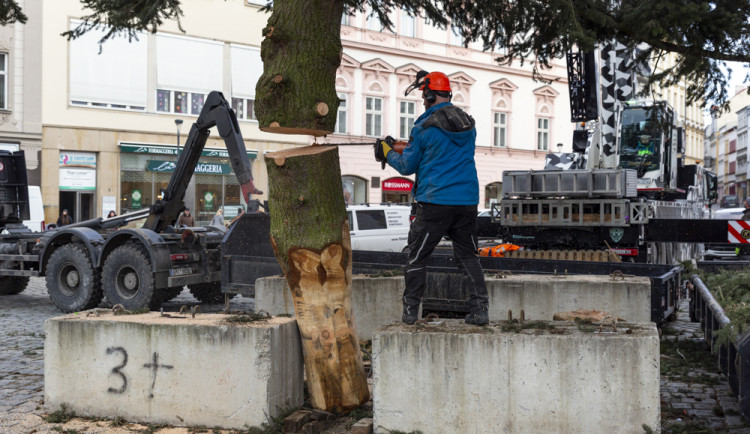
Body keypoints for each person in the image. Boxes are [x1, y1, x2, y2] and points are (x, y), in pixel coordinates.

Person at [374, 70, 490, 326]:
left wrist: (387, 153)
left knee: (417, 257)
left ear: (427, 95)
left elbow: (407, 166)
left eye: (423, 97)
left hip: (435, 202)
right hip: (466, 202)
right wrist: (402, 144)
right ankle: (480, 310)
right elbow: (438, 149)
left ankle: (410, 313)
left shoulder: (423, 128)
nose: (423, 101)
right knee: (468, 257)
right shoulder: (468, 126)